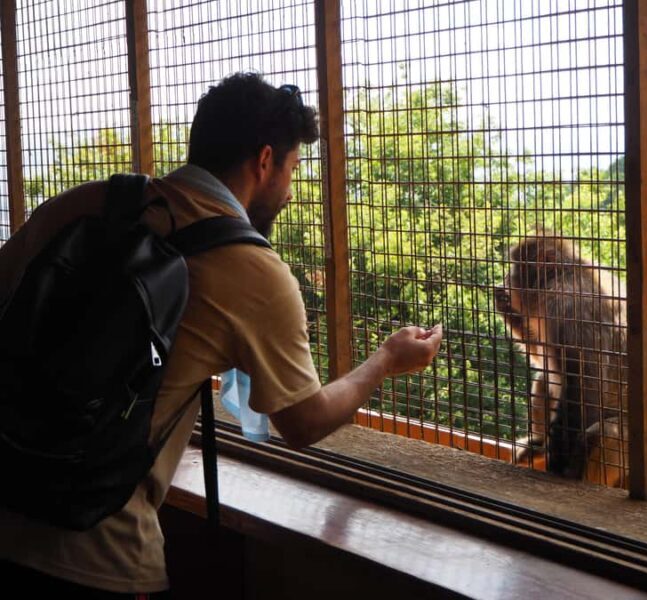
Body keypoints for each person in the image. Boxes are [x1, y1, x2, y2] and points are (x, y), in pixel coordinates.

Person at [0, 72, 442, 597]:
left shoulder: (83, 204)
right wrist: (386, 360)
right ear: (264, 161)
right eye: (292, 167)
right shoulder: (252, 269)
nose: (291, 189)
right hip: (97, 549)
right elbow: (303, 421)